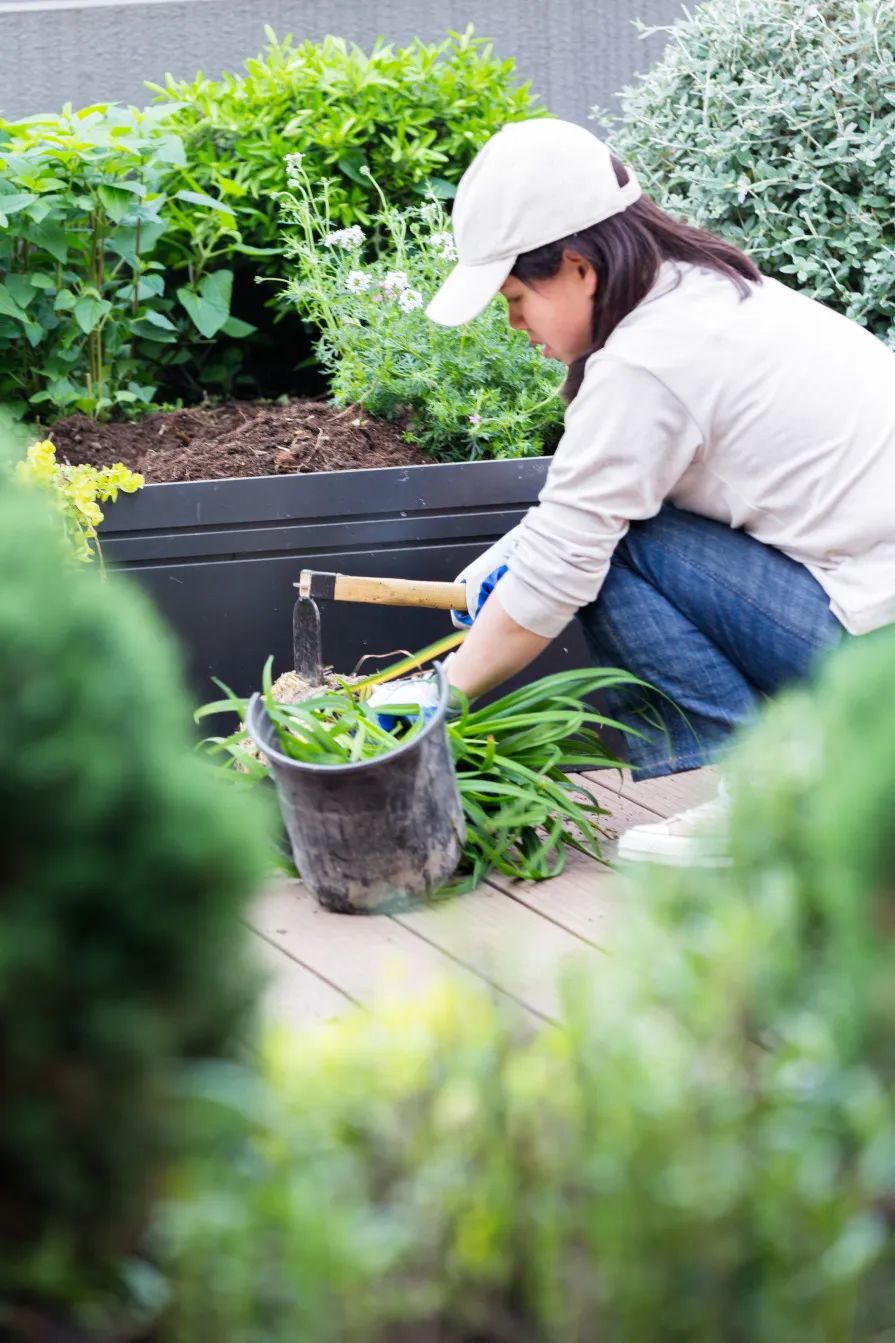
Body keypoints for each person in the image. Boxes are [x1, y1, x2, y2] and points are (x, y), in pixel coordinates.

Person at [370, 118, 895, 866]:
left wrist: (435, 700)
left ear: (579, 267)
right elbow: (600, 507)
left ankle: (769, 799)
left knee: (606, 554)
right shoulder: (707, 292)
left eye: (517, 296)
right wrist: (509, 558)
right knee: (594, 541)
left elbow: (566, 564)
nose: (515, 323)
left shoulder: (644, 365)